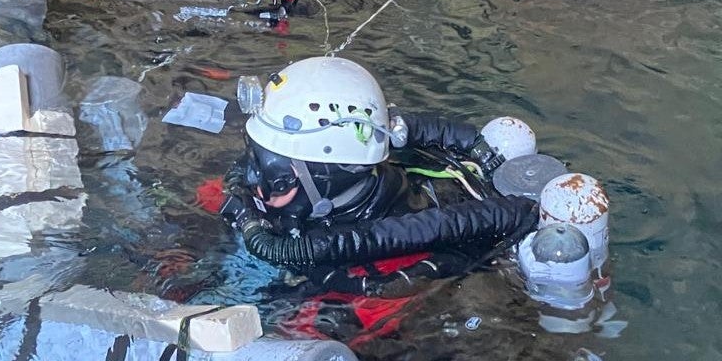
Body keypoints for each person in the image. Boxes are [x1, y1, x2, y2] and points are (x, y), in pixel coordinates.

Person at [219, 56, 538, 291]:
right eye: (255, 158)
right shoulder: (275, 200)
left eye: (275, 178)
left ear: (327, 181)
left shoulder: (386, 267)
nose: (251, 183)